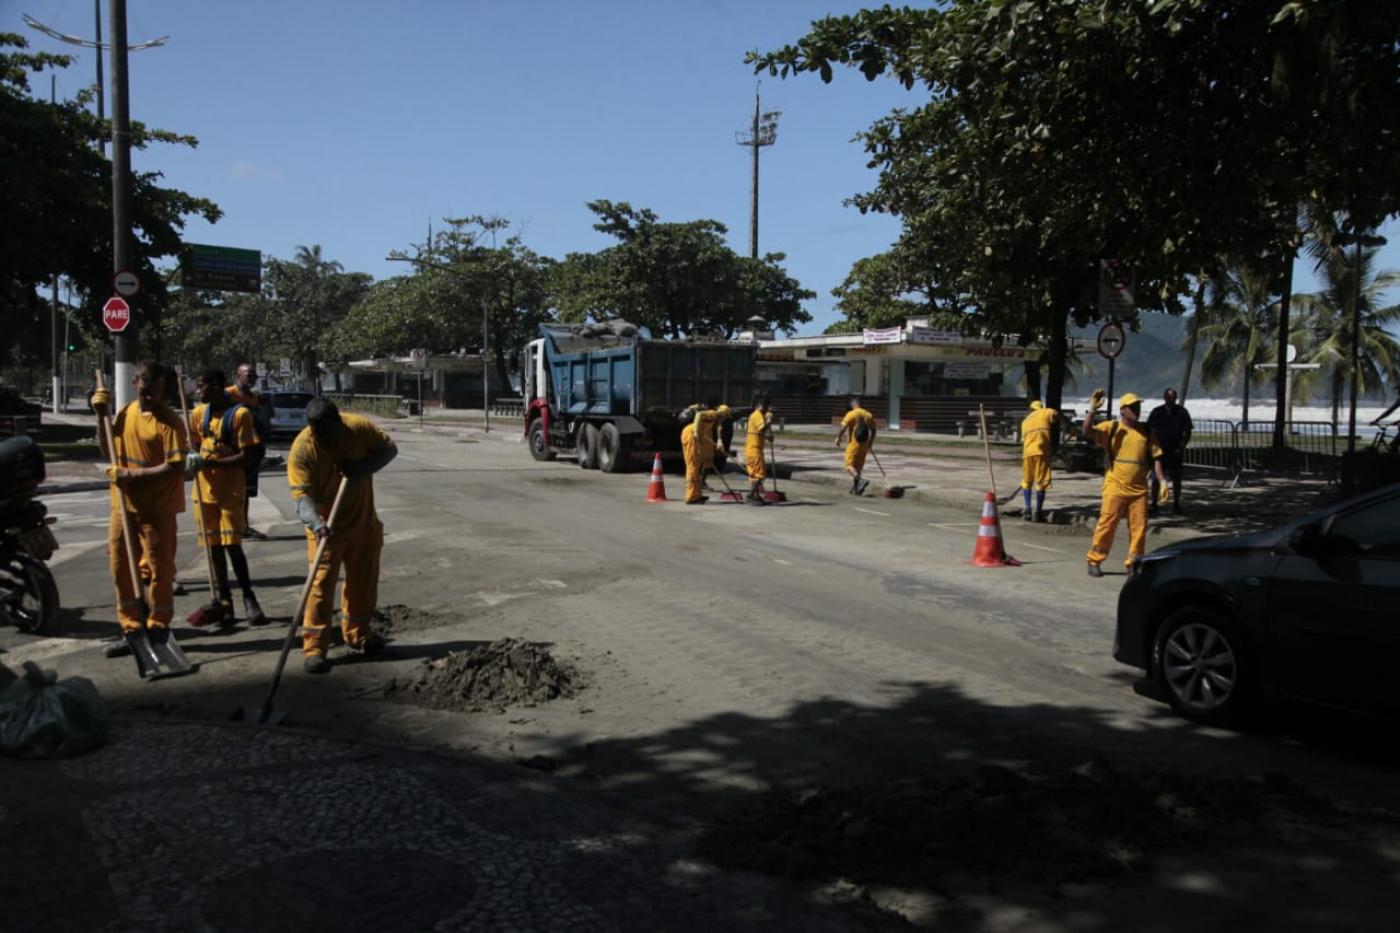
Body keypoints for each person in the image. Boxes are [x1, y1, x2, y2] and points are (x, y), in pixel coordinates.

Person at [287, 398, 397, 673]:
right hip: (326, 528)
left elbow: (388, 450)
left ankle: (359, 635)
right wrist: (317, 524)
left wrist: (362, 468)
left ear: (339, 422)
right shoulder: (303, 449)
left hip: (362, 523)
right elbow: (302, 498)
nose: (321, 438)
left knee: (363, 583)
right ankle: (314, 647)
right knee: (320, 586)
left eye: (326, 432)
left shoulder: (358, 429)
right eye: (316, 432)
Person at [90, 362, 186, 651]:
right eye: (145, 391)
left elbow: (175, 466)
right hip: (123, 506)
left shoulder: (169, 422)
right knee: (120, 568)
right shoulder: (125, 413)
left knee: (160, 571)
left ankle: (158, 628)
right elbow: (108, 449)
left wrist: (131, 475)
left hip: (157, 509)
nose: (150, 398)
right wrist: (99, 416)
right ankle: (131, 630)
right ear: (135, 384)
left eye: (156, 392)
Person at [188, 368, 266, 625]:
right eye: (197, 386)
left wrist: (215, 463)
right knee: (214, 549)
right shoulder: (198, 414)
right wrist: (192, 460)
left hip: (230, 492)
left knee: (233, 546)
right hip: (204, 493)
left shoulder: (239, 415)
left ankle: (248, 597)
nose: (199, 391)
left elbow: (249, 455)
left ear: (218, 385)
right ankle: (224, 601)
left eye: (203, 386)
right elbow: (194, 445)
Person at [1083, 392, 1168, 578]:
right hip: (1115, 487)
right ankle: (1094, 559)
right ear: (1122, 410)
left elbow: (1156, 458)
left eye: (1138, 406)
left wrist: (1162, 482)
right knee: (1107, 525)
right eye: (1132, 406)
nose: (1136, 409)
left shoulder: (1146, 431)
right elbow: (1087, 432)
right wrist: (1091, 410)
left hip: (1139, 490)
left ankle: (1134, 563)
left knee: (1139, 528)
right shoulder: (1112, 428)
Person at [227, 363, 269, 540]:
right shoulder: (228, 394)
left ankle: (244, 526)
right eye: (247, 375)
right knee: (232, 491)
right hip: (233, 451)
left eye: (253, 376)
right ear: (238, 375)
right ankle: (232, 525)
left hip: (251, 451)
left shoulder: (253, 398)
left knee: (246, 491)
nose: (251, 378)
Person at [1147, 388, 1193, 514]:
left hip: (1175, 450)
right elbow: (1149, 430)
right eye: (1169, 397)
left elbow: (1188, 431)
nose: (1172, 400)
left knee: (1176, 478)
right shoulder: (1157, 412)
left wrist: (1181, 446)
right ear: (1164, 398)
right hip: (1159, 450)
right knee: (1155, 478)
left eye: (1174, 397)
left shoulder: (1182, 412)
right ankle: (1154, 503)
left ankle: (1176, 504)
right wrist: (1152, 447)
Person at [1017, 400, 1059, 522]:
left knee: (1027, 481)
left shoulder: (1025, 421)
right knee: (1041, 481)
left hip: (1027, 454)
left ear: (1031, 409)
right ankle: (1038, 512)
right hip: (1041, 452)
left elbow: (1023, 440)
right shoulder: (1045, 412)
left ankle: (1028, 509)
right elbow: (1055, 414)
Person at [680, 398, 721, 505]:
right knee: (693, 466)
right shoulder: (713, 413)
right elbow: (699, 416)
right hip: (691, 435)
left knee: (696, 466)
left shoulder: (711, 415)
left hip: (691, 433)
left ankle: (697, 494)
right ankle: (691, 496)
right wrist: (696, 434)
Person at [835, 396, 876, 495]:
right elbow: (874, 430)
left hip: (854, 443)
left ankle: (860, 481)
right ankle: (856, 488)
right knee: (857, 467)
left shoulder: (851, 414)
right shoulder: (868, 415)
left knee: (848, 465)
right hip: (864, 444)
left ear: (853, 404)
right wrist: (870, 443)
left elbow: (842, 427)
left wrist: (838, 438)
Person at [744, 396, 774, 504]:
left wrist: (767, 438)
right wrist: (769, 421)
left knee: (754, 475)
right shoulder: (757, 415)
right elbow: (762, 429)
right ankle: (750, 495)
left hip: (751, 449)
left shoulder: (756, 415)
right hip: (754, 450)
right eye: (767, 407)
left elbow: (758, 432)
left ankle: (756, 496)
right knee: (760, 475)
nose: (767, 409)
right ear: (762, 406)